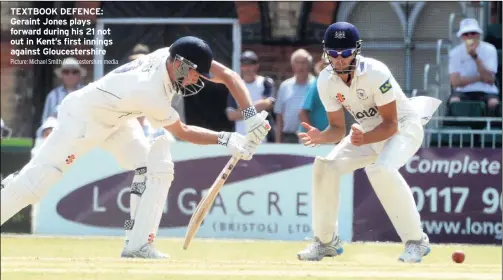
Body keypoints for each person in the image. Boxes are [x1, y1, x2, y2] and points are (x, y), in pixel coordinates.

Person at [0, 36, 270, 259]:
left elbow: (229, 75)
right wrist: (227, 139)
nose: (194, 81)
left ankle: (137, 244)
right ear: (179, 64)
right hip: (84, 118)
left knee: (155, 166)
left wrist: (251, 117)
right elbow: (183, 132)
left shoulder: (171, 53)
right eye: (194, 74)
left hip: (118, 120)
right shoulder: (150, 91)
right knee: (37, 182)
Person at [296, 22, 440, 263]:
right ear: (326, 53)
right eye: (333, 53)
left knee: (381, 169)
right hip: (367, 132)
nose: (339, 59)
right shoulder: (325, 80)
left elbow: (391, 125)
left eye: (345, 53)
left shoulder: (376, 72)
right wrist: (323, 136)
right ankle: (325, 242)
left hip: (404, 128)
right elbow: (338, 129)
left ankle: (417, 242)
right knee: (325, 166)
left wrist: (365, 138)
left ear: (356, 50)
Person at [448, 18, 500, 116]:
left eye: (473, 33)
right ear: (462, 37)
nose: (470, 36)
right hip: (463, 92)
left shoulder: (490, 49)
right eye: (466, 34)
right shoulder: (455, 53)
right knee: (454, 101)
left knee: (493, 103)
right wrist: (480, 78)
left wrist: (475, 57)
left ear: (478, 35)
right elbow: (455, 82)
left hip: (487, 90)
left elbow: (489, 79)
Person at [226, 51, 275, 142]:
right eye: (244, 65)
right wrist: (258, 107)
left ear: (257, 66)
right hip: (240, 138)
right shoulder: (235, 86)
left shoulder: (265, 83)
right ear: (241, 67)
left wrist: (242, 110)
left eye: (251, 64)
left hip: (262, 139)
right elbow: (231, 115)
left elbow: (268, 104)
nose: (247, 68)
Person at [274, 49, 315, 143]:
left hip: (309, 136)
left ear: (309, 65)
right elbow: (279, 116)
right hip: (289, 137)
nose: (301, 66)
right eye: (298, 62)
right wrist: (277, 142)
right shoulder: (285, 86)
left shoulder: (315, 85)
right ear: (293, 65)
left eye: (304, 62)